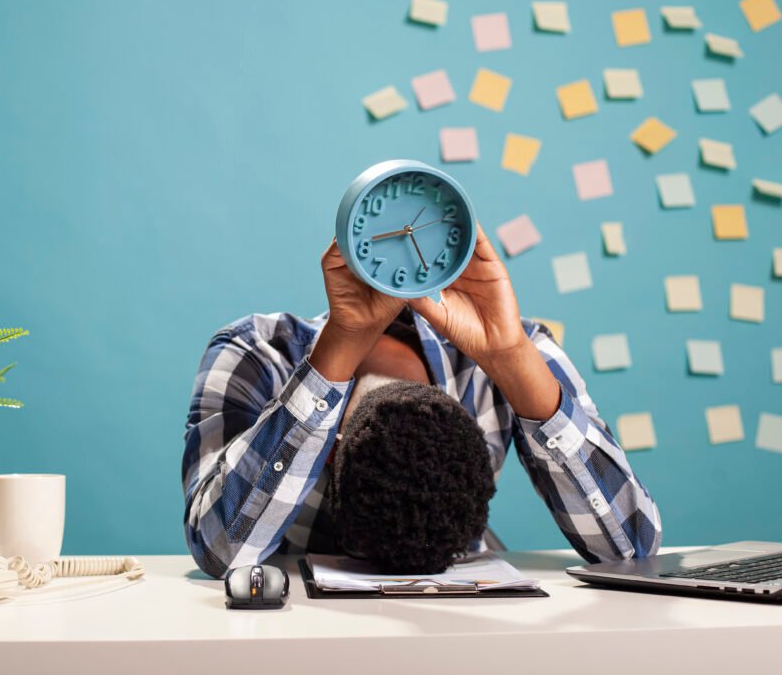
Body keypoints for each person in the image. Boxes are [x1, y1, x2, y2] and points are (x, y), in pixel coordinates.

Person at [181, 226, 661, 578]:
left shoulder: (516, 353)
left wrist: (511, 357)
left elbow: (629, 547)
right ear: (329, 448)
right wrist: (335, 355)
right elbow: (224, 552)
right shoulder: (256, 354)